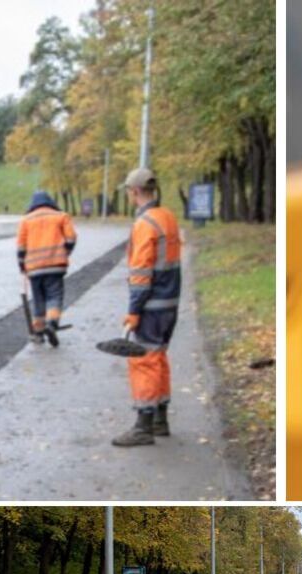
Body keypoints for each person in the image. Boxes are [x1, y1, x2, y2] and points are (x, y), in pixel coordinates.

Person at [111, 168, 182, 447]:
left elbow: (141, 274)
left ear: (134, 191)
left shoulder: (145, 224)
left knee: (143, 362)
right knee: (159, 357)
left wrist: (133, 311)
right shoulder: (168, 218)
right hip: (170, 303)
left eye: (128, 191)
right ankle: (160, 420)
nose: (129, 195)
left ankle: (143, 427)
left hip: (152, 305)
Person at [17, 190, 77, 346]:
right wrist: (65, 252)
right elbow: (71, 238)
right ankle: (52, 324)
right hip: (55, 266)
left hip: (34, 268)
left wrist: (22, 265)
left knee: (38, 300)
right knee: (54, 297)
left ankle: (38, 333)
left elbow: (21, 246)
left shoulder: (26, 220)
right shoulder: (61, 216)